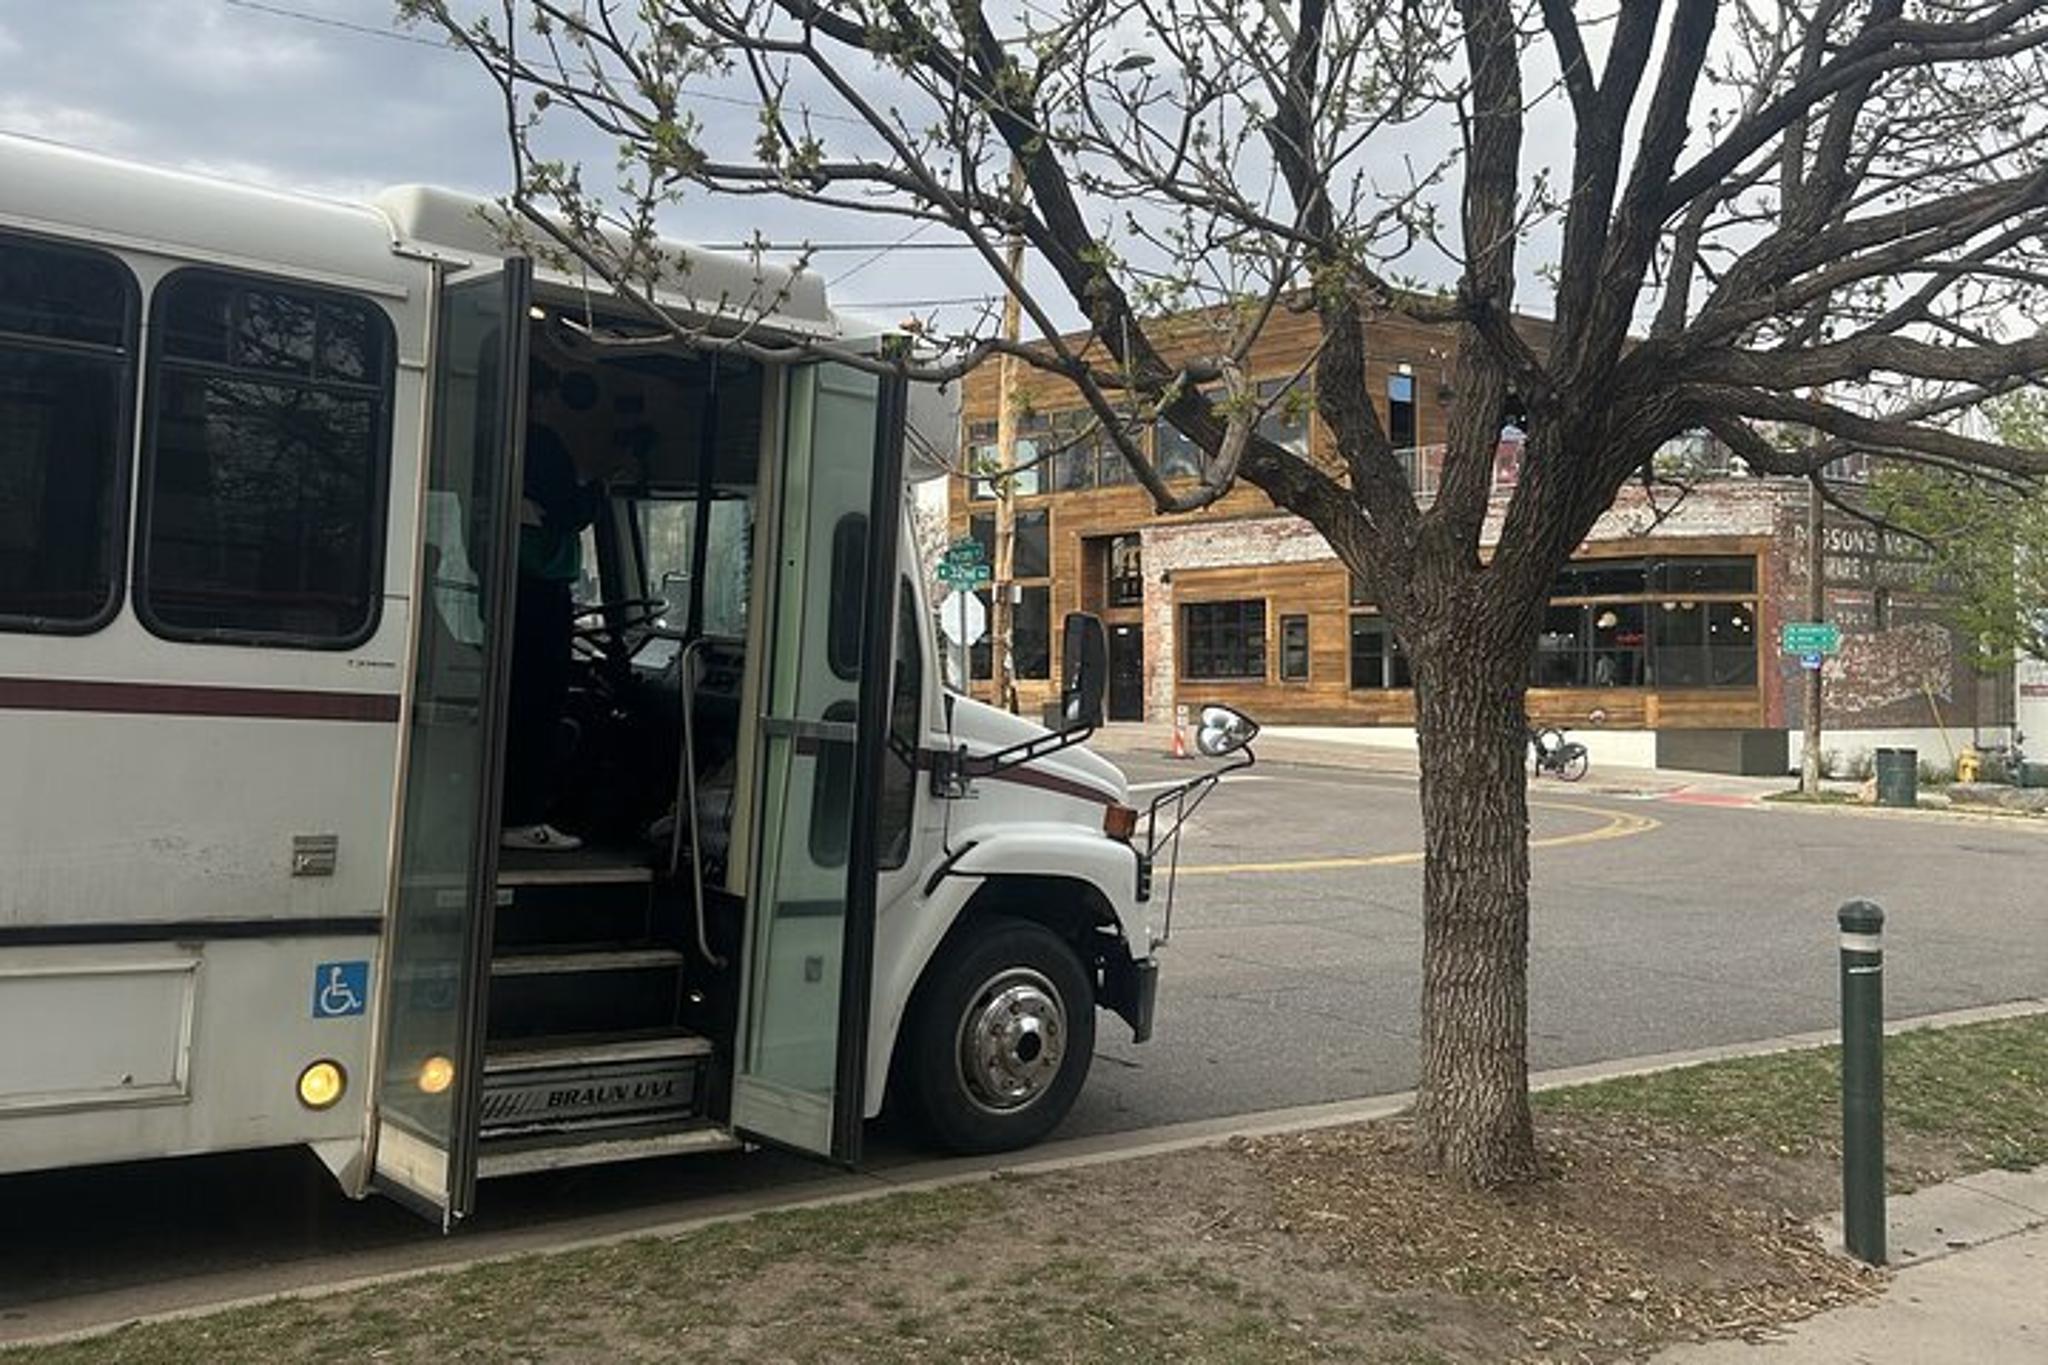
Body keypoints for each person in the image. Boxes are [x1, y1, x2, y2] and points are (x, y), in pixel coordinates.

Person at [501, 362, 608, 851]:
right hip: (540, 592)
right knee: (540, 706)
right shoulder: (539, 444)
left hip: (504, 587)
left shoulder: (489, 440)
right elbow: (568, 512)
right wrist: (599, 488)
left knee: (512, 700)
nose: (545, 406)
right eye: (542, 395)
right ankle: (523, 815)